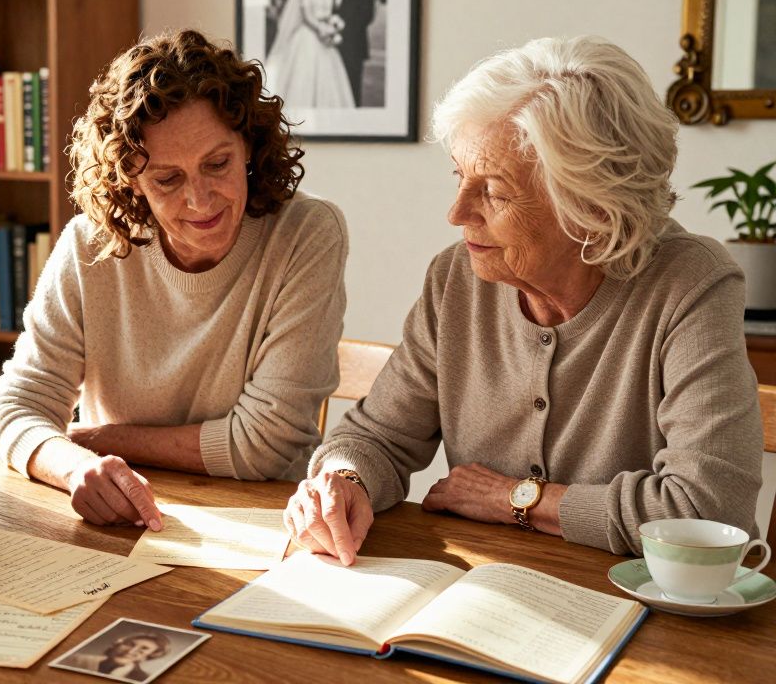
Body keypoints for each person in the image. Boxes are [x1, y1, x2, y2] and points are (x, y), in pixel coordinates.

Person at [286, 36, 763, 564]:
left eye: (493, 189)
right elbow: (379, 436)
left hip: (634, 607)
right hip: (482, 590)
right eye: (460, 176)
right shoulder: (457, 279)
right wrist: (342, 479)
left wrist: (519, 499)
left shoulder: (690, 284)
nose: (457, 212)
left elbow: (708, 512)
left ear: (592, 207)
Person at [0, 29, 348, 529]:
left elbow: (264, 446)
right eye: (167, 179)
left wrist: (98, 438)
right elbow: (15, 408)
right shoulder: (90, 243)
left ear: (249, 146)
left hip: (261, 523)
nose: (200, 200)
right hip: (115, 519)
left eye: (217, 164)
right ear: (131, 180)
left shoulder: (305, 234)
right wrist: (74, 468)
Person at [264, 0, 356, 110]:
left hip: (325, 40)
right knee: (305, 75)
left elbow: (328, 14)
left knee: (328, 78)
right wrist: (322, 29)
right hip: (308, 36)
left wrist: (333, 24)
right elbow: (307, 16)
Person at [329, 0, 375, 105]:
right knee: (334, 90)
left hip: (354, 46)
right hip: (331, 47)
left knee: (352, 90)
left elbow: (367, 15)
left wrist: (343, 30)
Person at [62, 633, 171, 682]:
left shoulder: (142, 678)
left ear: (151, 656)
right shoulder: (77, 659)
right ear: (119, 644)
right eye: (130, 644)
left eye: (144, 649)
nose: (131, 651)